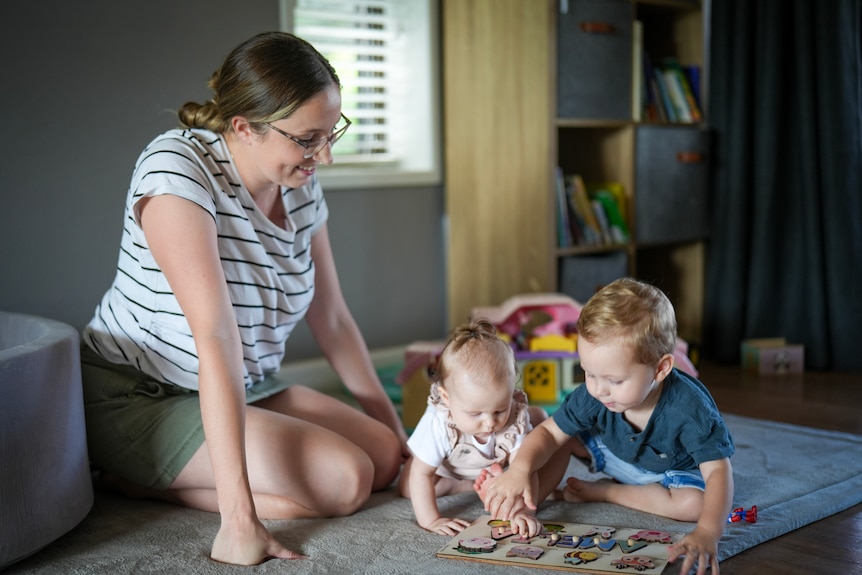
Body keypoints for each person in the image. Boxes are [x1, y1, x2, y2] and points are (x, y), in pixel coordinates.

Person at [80, 31, 407, 567]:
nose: (323, 156)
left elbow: (333, 318)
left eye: (331, 133)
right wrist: (238, 518)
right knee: (346, 482)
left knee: (384, 458)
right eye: (307, 139)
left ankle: (168, 479)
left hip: (245, 381)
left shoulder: (299, 180)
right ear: (243, 128)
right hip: (142, 394)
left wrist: (404, 441)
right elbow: (214, 336)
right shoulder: (177, 171)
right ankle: (138, 480)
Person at [477, 277, 735, 575]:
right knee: (558, 439)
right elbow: (548, 432)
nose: (599, 389)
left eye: (614, 380)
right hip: (611, 452)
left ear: (661, 368)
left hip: (668, 472)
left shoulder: (689, 408)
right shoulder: (594, 394)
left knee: (695, 506)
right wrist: (519, 470)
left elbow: (718, 470)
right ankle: (527, 503)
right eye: (588, 373)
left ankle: (606, 492)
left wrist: (708, 531)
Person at [398, 318, 572, 536]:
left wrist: (525, 511)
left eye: (500, 410)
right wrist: (432, 520)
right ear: (447, 398)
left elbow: (527, 469)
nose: (490, 423)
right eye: (475, 413)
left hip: (491, 464)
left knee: (537, 424)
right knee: (408, 488)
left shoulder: (515, 419)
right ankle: (458, 485)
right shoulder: (439, 422)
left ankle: (484, 484)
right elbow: (421, 475)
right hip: (446, 468)